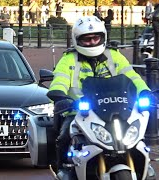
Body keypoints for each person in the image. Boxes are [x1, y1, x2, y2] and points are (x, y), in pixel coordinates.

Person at [47, 16, 154, 176]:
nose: (91, 42)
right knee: (63, 137)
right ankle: (64, 170)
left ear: (103, 37)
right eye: (87, 39)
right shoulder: (68, 59)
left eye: (95, 38)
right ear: (77, 40)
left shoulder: (114, 56)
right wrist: (60, 97)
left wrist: (144, 91)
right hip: (79, 112)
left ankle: (143, 168)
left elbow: (132, 77)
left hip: (118, 108)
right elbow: (60, 80)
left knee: (137, 135)